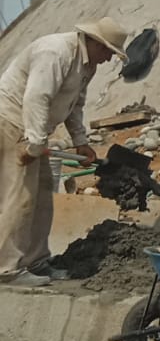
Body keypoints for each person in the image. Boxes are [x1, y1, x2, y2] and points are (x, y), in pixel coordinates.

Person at [0, 18, 128, 286]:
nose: (108, 59)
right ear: (92, 42)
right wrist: (34, 143)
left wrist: (80, 140)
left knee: (44, 193)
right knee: (19, 196)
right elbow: (36, 97)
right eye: (107, 51)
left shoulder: (87, 65)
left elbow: (75, 104)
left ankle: (35, 261)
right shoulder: (55, 53)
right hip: (13, 123)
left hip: (35, 130)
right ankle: (6, 270)